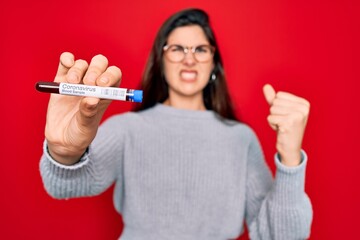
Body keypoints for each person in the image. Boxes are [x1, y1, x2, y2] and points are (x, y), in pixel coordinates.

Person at [39, 8, 313, 240]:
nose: (189, 58)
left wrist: (290, 160)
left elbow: (281, 235)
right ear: (161, 61)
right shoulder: (127, 129)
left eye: (201, 49)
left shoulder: (241, 139)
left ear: (214, 64)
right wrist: (63, 153)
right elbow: (62, 186)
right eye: (177, 48)